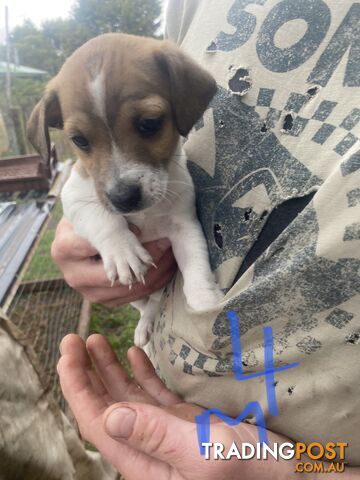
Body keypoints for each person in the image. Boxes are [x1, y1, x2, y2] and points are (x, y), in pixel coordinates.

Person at [54, 0, 360, 477]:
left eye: (148, 124)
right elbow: (80, 197)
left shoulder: (172, 77)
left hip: (317, 452)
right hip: (175, 402)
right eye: (84, 141)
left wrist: (271, 471)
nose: (119, 181)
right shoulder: (185, 16)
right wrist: (97, 235)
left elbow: (181, 224)